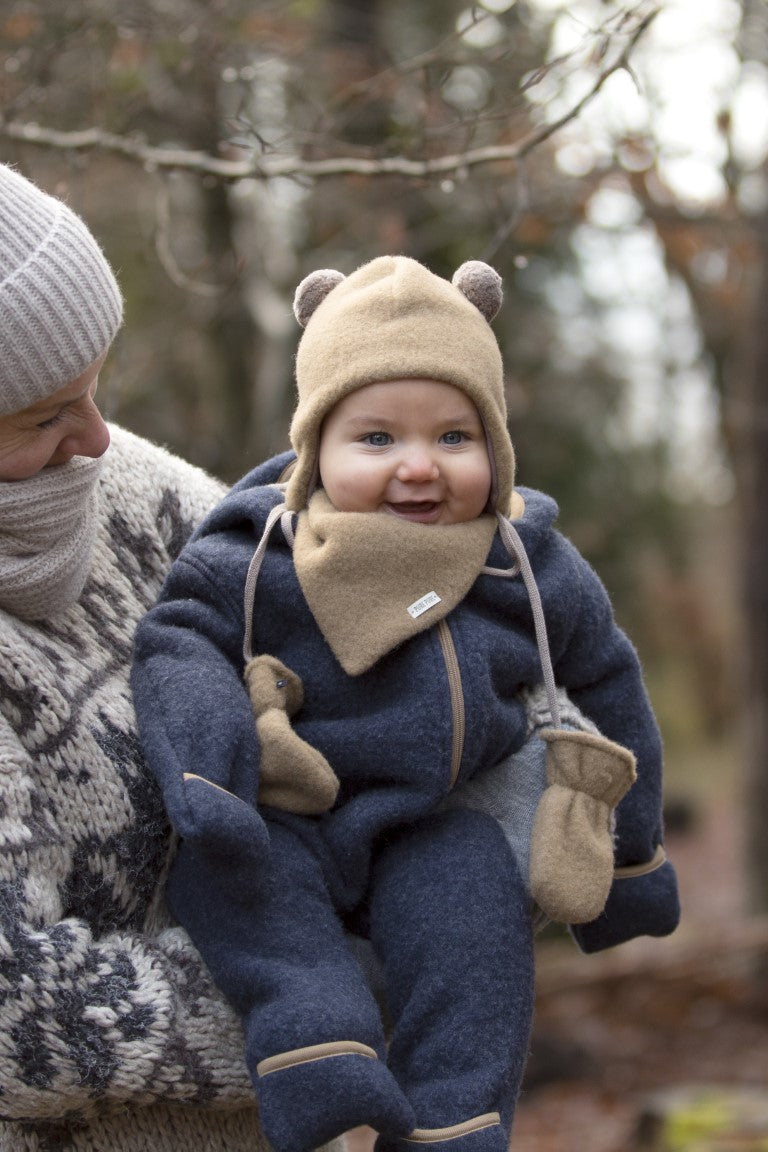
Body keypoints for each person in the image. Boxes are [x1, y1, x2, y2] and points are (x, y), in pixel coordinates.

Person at [131, 256, 681, 1152]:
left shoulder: (523, 562)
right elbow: (178, 641)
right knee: (229, 873)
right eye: (376, 439)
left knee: (475, 920)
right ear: (315, 450)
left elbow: (610, 678)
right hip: (296, 809)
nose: (418, 468)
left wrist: (635, 857)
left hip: (439, 817)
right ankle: (316, 1044)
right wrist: (206, 766)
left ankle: (455, 1121)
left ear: (495, 447)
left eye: (455, 438)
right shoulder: (260, 548)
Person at [0, 162, 281, 1151]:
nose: (99, 435)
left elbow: (320, 597)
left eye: (94, 386)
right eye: (45, 416)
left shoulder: (112, 481)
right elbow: (12, 1013)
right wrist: (310, 996)